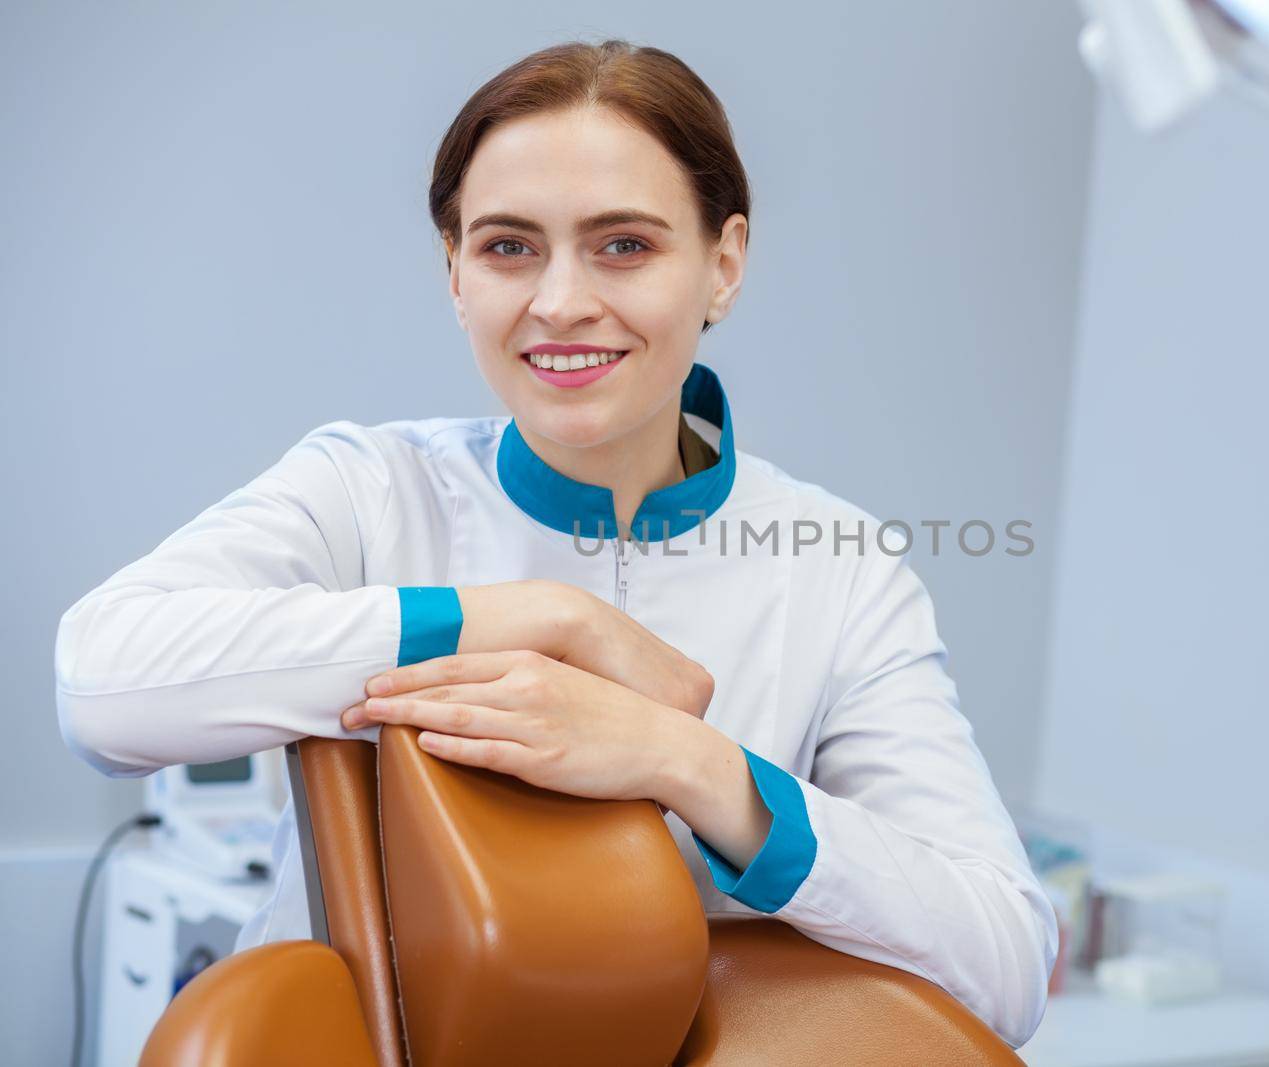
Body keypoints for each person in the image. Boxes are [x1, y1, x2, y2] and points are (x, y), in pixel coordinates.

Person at [53, 38, 1056, 1047]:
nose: (561, 300)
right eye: (507, 246)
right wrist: (537, 618)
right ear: (454, 275)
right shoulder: (367, 492)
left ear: (723, 263)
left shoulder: (837, 567)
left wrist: (690, 764)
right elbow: (101, 683)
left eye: (624, 244)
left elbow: (1002, 966)